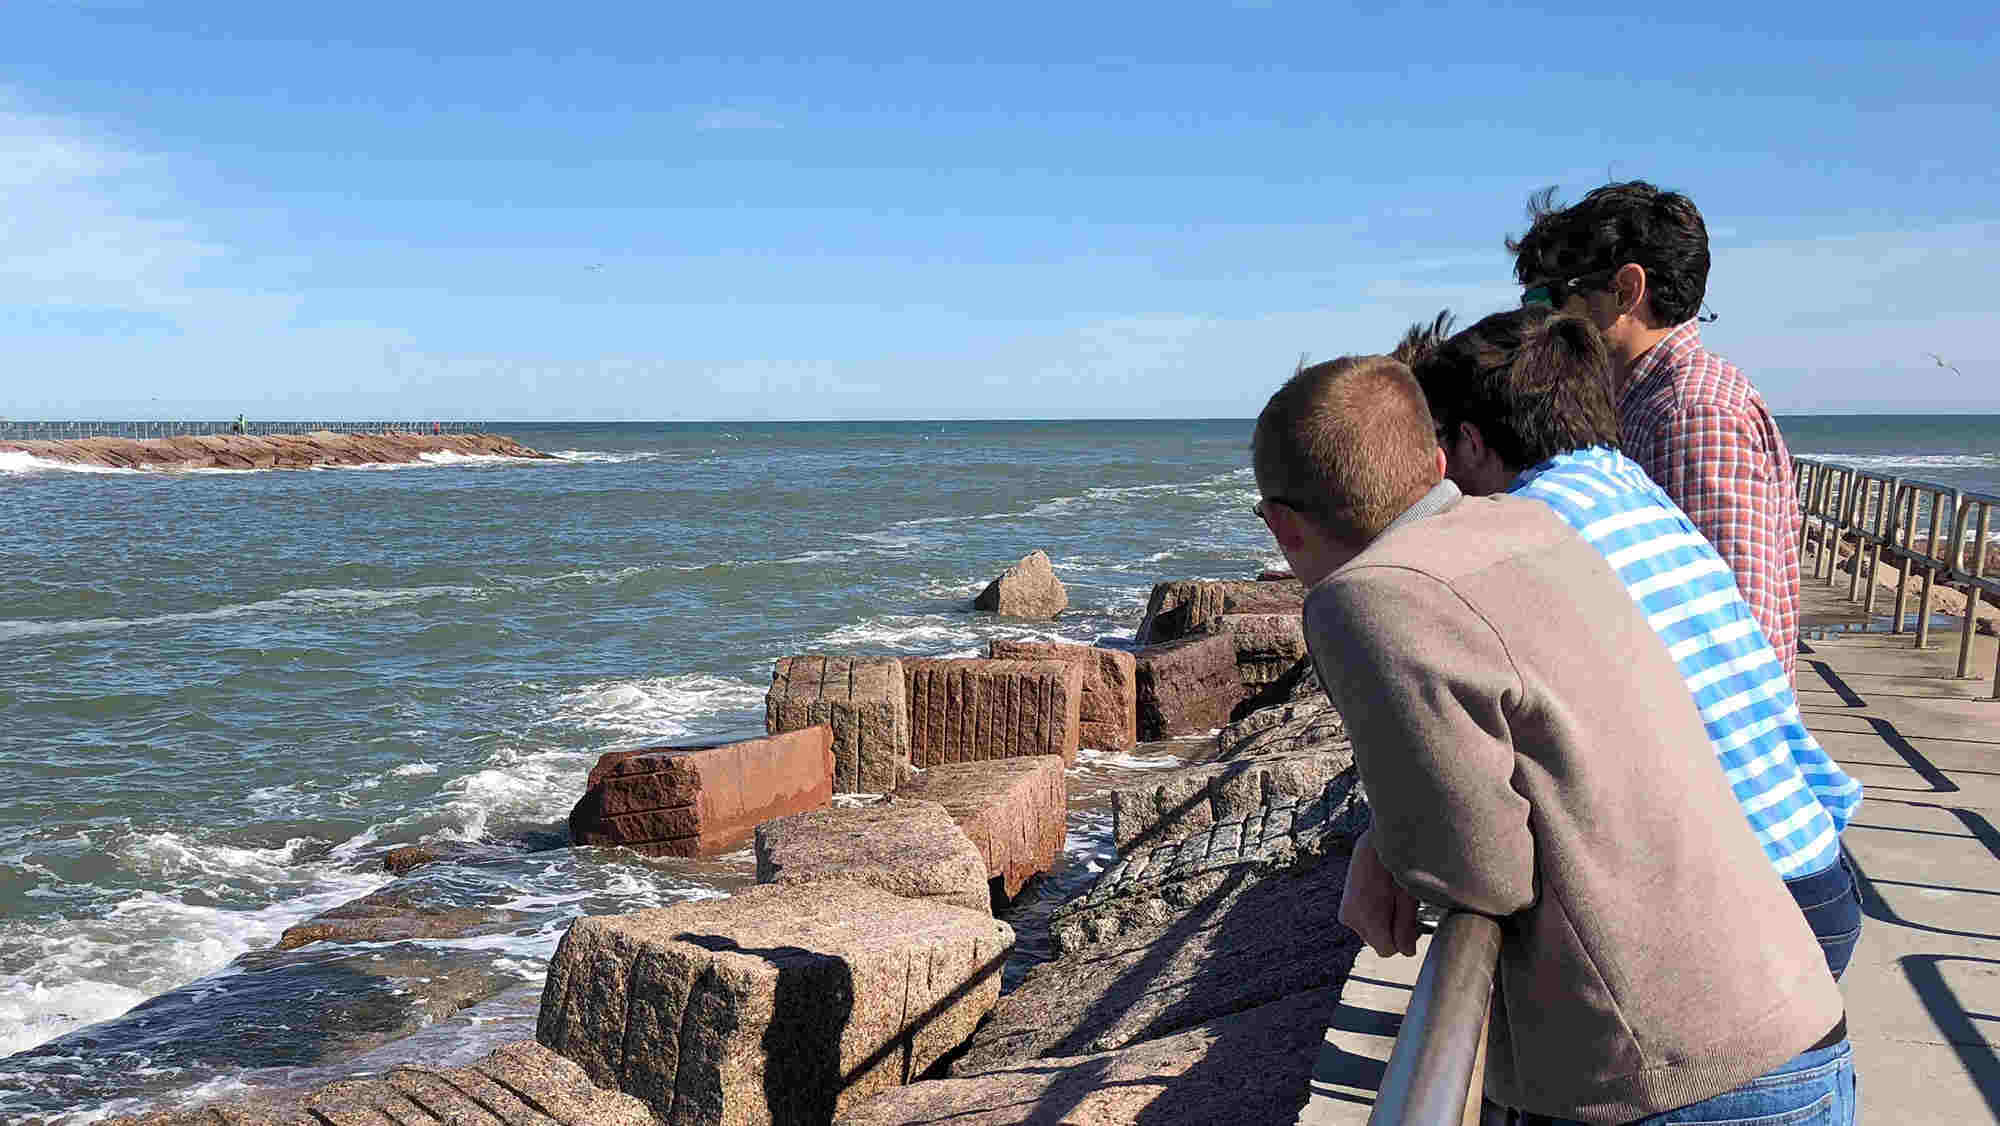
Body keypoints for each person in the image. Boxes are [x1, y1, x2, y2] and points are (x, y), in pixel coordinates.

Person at [1252, 355, 1851, 1125]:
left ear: (1281, 522)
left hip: (1676, 1077)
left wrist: (1393, 845)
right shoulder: (1531, 524)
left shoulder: (1366, 598)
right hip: (1789, 1015)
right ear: (1436, 462)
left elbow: (1480, 868)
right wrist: (1388, 832)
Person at [1412, 306, 1865, 979]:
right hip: (1810, 864)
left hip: (1742, 903)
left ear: (1472, 442)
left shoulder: (1528, 530)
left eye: (1440, 440)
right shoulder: (1621, 485)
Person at [1507, 181, 1804, 682]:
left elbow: (1736, 641)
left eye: (1547, 299)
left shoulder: (1693, 413)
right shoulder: (1652, 400)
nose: (1536, 325)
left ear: (1626, 290)